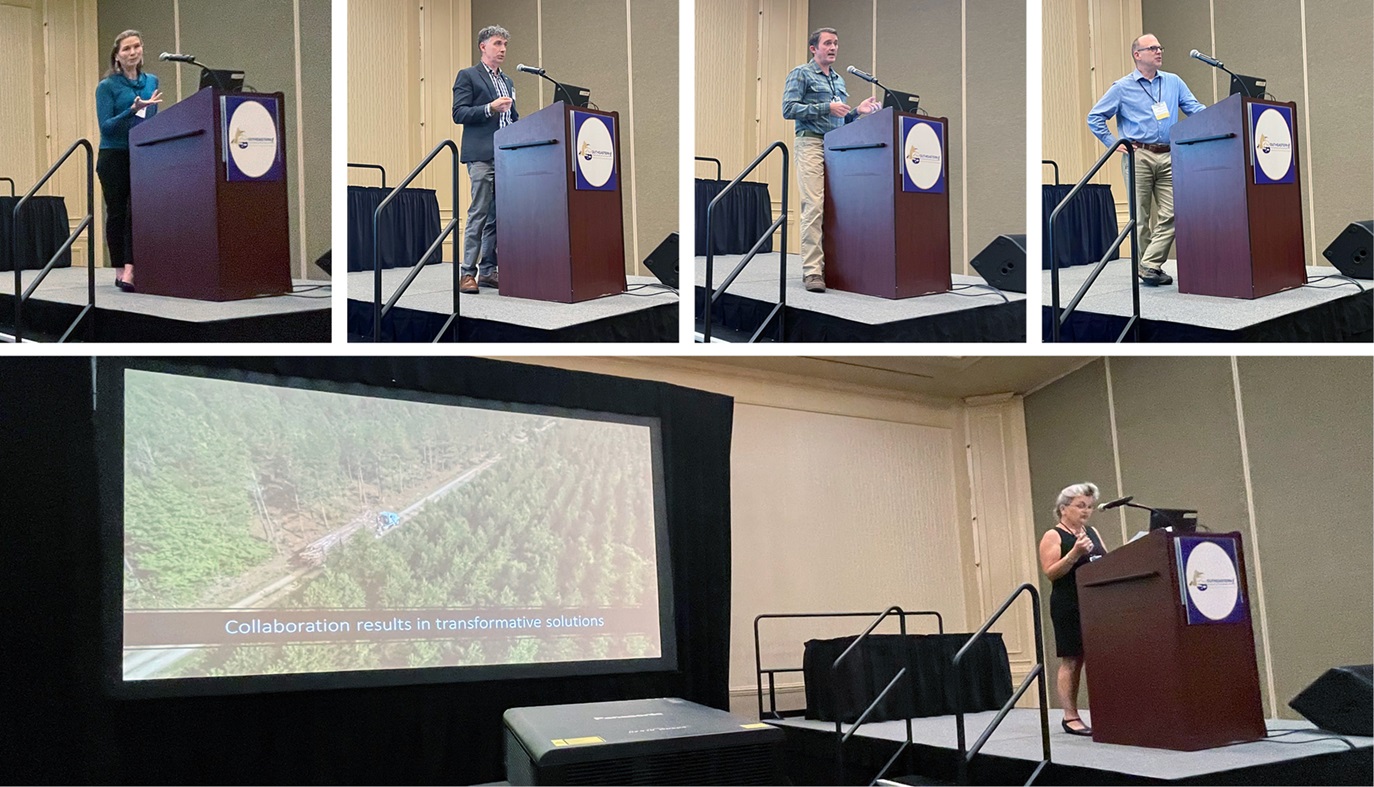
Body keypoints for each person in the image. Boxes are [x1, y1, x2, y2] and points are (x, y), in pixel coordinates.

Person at [1086, 34, 1205, 287]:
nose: (1159, 51)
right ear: (1137, 55)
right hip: (1138, 154)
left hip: (1170, 155)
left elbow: (1195, 109)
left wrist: (1226, 112)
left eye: (1160, 47)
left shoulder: (1173, 82)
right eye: (1152, 48)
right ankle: (1149, 267)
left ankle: (1148, 264)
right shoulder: (1122, 87)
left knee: (1175, 211)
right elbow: (1095, 117)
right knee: (1139, 216)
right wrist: (1114, 144)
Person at [781, 28, 882, 293]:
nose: (833, 47)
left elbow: (840, 118)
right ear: (814, 48)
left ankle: (838, 269)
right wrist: (826, 107)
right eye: (828, 43)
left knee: (840, 208)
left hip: (837, 146)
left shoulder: (838, 80)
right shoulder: (801, 74)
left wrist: (857, 112)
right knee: (814, 206)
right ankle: (813, 272)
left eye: (836, 43)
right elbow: (788, 109)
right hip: (811, 142)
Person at [451, 25, 519, 295]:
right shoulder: (468, 76)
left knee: (498, 217)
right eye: (497, 43)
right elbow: (459, 113)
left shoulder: (508, 82)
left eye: (504, 45)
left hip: (506, 156)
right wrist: (489, 108)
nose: (502, 49)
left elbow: (512, 117)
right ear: (483, 46)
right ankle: (467, 273)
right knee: (479, 212)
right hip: (481, 155)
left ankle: (490, 270)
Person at [1038, 482, 1108, 736]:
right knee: (1073, 659)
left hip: (1095, 603)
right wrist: (1074, 554)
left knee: (1098, 657)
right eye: (1080, 506)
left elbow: (1106, 561)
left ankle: (1106, 712)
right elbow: (1051, 572)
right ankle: (1070, 716)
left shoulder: (1093, 532)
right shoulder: (1053, 535)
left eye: (1089, 507)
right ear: (1063, 508)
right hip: (1068, 603)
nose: (1086, 511)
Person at [95, 29, 162, 292]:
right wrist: (131, 110)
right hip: (114, 155)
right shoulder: (107, 87)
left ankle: (133, 268)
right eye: (126, 49)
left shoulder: (151, 81)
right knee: (118, 213)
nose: (132, 52)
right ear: (117, 56)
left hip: (142, 153)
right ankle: (121, 269)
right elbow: (106, 127)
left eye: (136, 47)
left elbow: (152, 119)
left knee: (138, 212)